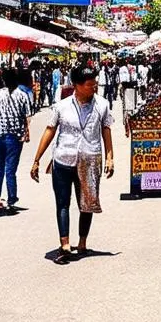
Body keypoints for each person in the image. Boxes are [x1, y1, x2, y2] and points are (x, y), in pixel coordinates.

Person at [30, 65, 114, 264]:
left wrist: (110, 157)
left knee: (87, 204)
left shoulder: (102, 105)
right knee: (62, 203)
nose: (94, 87)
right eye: (90, 84)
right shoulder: (62, 106)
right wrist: (36, 160)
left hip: (90, 159)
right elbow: (50, 130)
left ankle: (82, 242)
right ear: (76, 85)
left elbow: (106, 130)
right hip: (63, 159)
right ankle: (65, 243)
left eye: (96, 83)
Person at [0, 69, 33, 213]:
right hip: (14, 136)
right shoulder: (22, 95)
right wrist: (27, 132)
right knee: (11, 170)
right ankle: (11, 200)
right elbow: (27, 117)